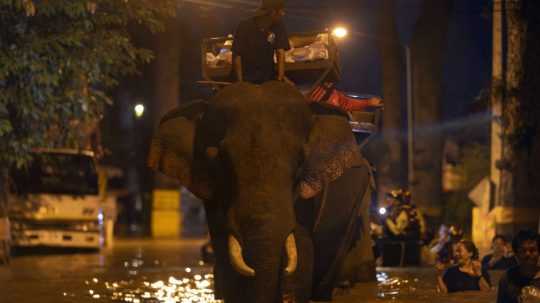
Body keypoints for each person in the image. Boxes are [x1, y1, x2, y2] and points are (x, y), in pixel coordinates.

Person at [232, 0, 291, 84]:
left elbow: (280, 51)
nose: (283, 14)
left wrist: (280, 78)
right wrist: (240, 82)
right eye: (281, 11)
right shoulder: (245, 26)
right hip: (247, 77)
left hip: (267, 77)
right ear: (273, 12)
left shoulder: (278, 26)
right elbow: (237, 55)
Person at [497, 230, 540, 303]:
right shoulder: (507, 278)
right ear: (516, 255)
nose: (527, 254)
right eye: (523, 251)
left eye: (532, 250)